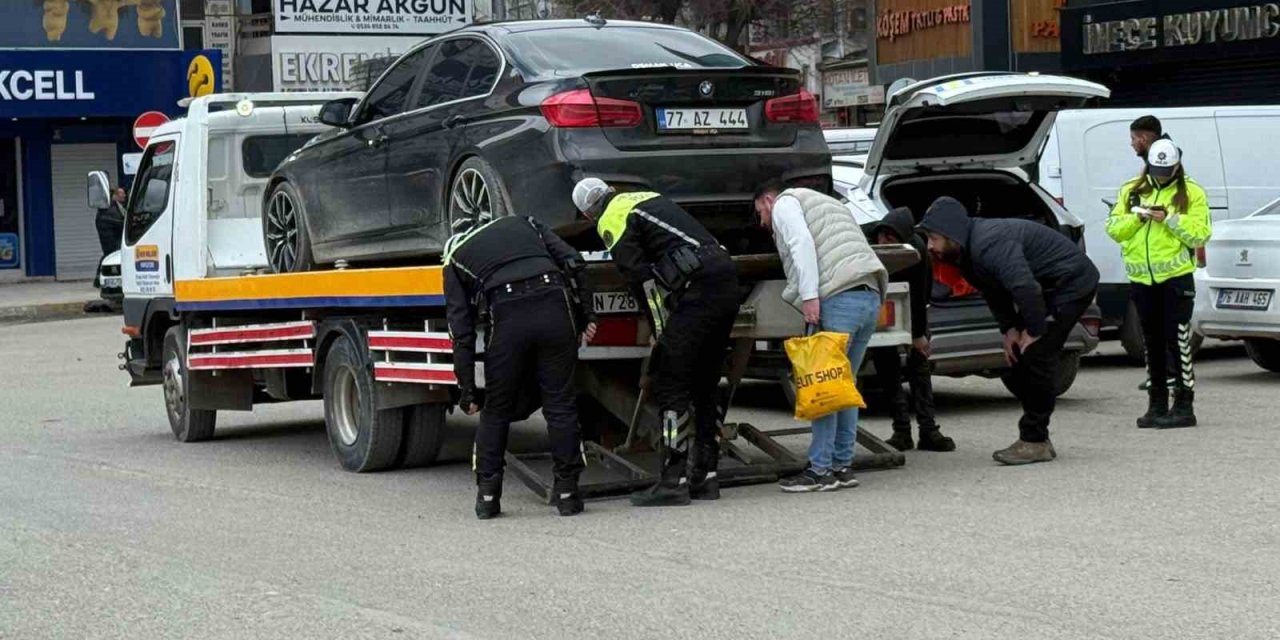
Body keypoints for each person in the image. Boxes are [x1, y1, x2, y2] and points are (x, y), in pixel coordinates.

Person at [572, 178, 739, 507]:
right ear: (609, 191)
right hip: (724, 278)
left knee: (670, 382)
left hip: (698, 287)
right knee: (706, 382)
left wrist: (659, 330)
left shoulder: (612, 217)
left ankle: (672, 481)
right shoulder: (644, 197)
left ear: (588, 215)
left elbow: (641, 279)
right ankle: (706, 476)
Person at [919, 196, 1099, 465]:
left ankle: (1035, 441)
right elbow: (993, 290)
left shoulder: (989, 242)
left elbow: (1024, 287)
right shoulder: (964, 252)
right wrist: (1010, 329)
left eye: (933, 238)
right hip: (1046, 287)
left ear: (950, 233)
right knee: (1019, 353)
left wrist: (1034, 330)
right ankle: (1036, 434)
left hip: (1071, 283)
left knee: (1038, 354)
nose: (929, 246)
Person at [443, 215, 597, 519]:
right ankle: (568, 494)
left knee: (496, 409)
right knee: (560, 404)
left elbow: (460, 330)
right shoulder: (525, 222)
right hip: (554, 305)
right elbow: (574, 261)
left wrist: (467, 389)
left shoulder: (454, 255)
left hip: (507, 314)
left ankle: (488, 498)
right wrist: (586, 316)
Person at [753, 179, 888, 492]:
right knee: (844, 386)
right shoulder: (829, 203)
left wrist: (809, 296)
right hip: (869, 296)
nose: (762, 222)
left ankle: (819, 471)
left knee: (823, 384)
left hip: (838, 298)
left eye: (760, 213)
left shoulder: (786, 203)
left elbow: (801, 243)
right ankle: (842, 466)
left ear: (769, 200)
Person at [1105, 139, 1210, 429]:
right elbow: (1114, 229)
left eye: (1166, 171)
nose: (1161, 176)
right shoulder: (1131, 190)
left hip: (1176, 279)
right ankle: (1157, 404)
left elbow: (1200, 234)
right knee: (1151, 341)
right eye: (1156, 171)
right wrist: (1138, 218)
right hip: (1141, 278)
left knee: (1178, 340)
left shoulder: (1192, 192)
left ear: (1177, 166)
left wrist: (1170, 219)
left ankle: (1184, 406)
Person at [865, 208, 955, 453]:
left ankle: (928, 430)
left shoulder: (916, 249)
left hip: (911, 304)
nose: (884, 242)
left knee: (920, 363)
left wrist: (918, 335)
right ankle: (901, 430)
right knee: (887, 365)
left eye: (890, 238)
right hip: (883, 303)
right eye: (882, 237)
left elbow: (920, 294)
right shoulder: (868, 240)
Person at [94, 187, 126, 286]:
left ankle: (98, 279)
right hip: (110, 237)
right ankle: (100, 278)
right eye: (121, 194)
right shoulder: (110, 209)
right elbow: (118, 222)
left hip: (113, 236)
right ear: (115, 196)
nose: (124, 195)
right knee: (109, 255)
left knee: (108, 255)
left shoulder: (118, 206)